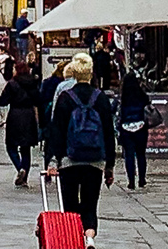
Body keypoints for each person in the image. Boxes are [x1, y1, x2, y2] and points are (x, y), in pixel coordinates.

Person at [43, 54, 115, 247]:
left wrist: (52, 161)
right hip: (95, 160)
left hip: (69, 160)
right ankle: (89, 237)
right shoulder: (100, 98)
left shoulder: (66, 98)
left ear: (73, 73)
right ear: (91, 73)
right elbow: (109, 132)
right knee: (90, 205)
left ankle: (74, 242)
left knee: (70, 206)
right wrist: (109, 166)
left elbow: (55, 131)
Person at [2, 60, 43, 187]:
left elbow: (3, 101)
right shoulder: (33, 83)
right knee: (26, 148)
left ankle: (20, 168)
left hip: (15, 116)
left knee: (11, 146)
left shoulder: (12, 84)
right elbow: (38, 100)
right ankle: (24, 178)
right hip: (29, 116)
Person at [117, 70, 150, 190]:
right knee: (141, 154)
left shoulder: (123, 97)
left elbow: (116, 110)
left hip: (126, 127)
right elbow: (148, 103)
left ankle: (131, 180)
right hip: (141, 125)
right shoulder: (141, 95)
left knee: (129, 155)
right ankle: (142, 179)